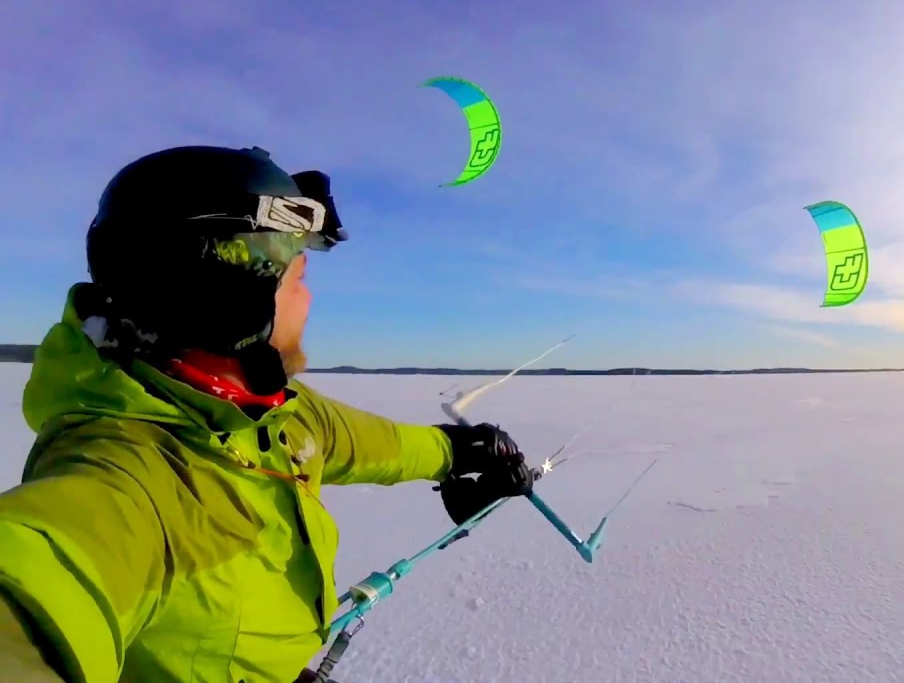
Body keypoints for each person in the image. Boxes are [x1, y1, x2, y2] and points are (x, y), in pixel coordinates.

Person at [0, 145, 535, 683]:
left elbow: (373, 444)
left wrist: (459, 450)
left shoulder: (274, 414)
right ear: (233, 294)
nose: (308, 301)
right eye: (298, 278)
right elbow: (37, 582)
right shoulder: (125, 480)